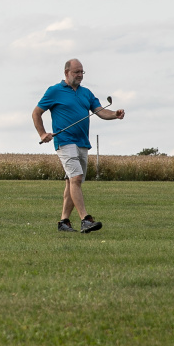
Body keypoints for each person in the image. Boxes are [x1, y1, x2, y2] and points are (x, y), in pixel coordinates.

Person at [31, 58, 124, 232]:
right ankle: (85, 219)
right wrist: (42, 133)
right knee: (76, 179)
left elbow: (100, 111)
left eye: (82, 72)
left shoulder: (86, 93)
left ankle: (64, 222)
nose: (80, 75)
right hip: (65, 141)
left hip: (82, 143)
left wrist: (114, 114)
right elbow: (36, 113)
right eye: (77, 72)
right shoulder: (54, 91)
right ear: (66, 72)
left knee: (71, 182)